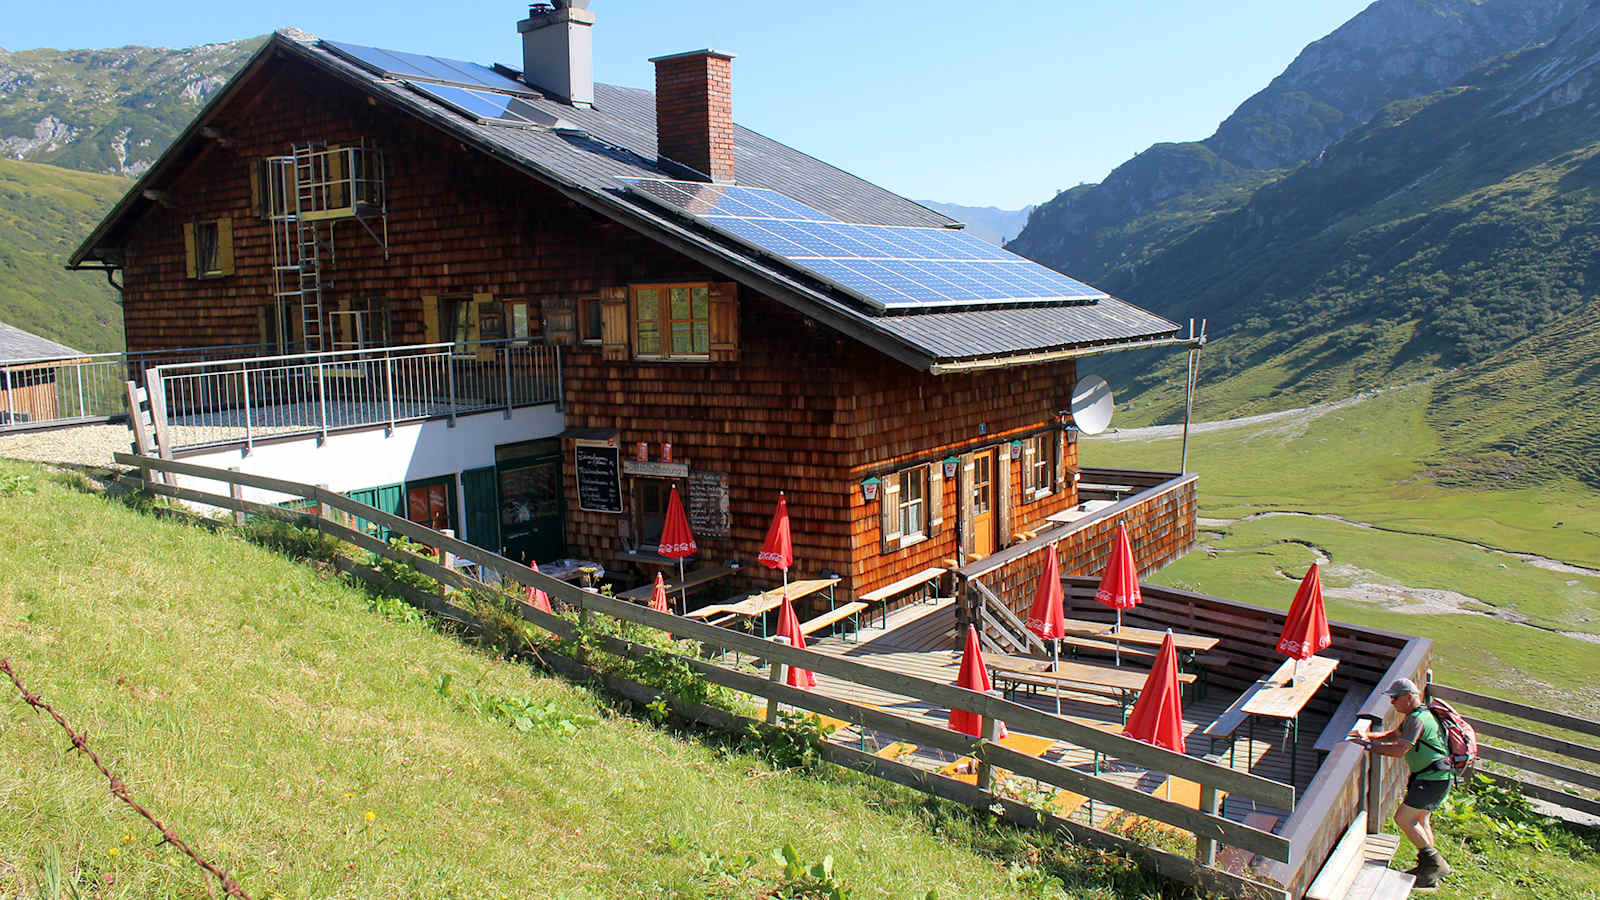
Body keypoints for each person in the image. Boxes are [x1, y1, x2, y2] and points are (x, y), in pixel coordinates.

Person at [1349, 678, 1454, 888]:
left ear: (1410, 697)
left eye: (1395, 698)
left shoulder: (1417, 720)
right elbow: (1394, 736)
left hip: (1431, 779)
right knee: (1421, 820)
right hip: (1438, 777)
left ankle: (1436, 864)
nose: (1392, 703)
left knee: (1403, 819)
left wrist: (1369, 747)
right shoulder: (1417, 715)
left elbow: (1401, 749)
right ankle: (1429, 871)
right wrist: (1367, 736)